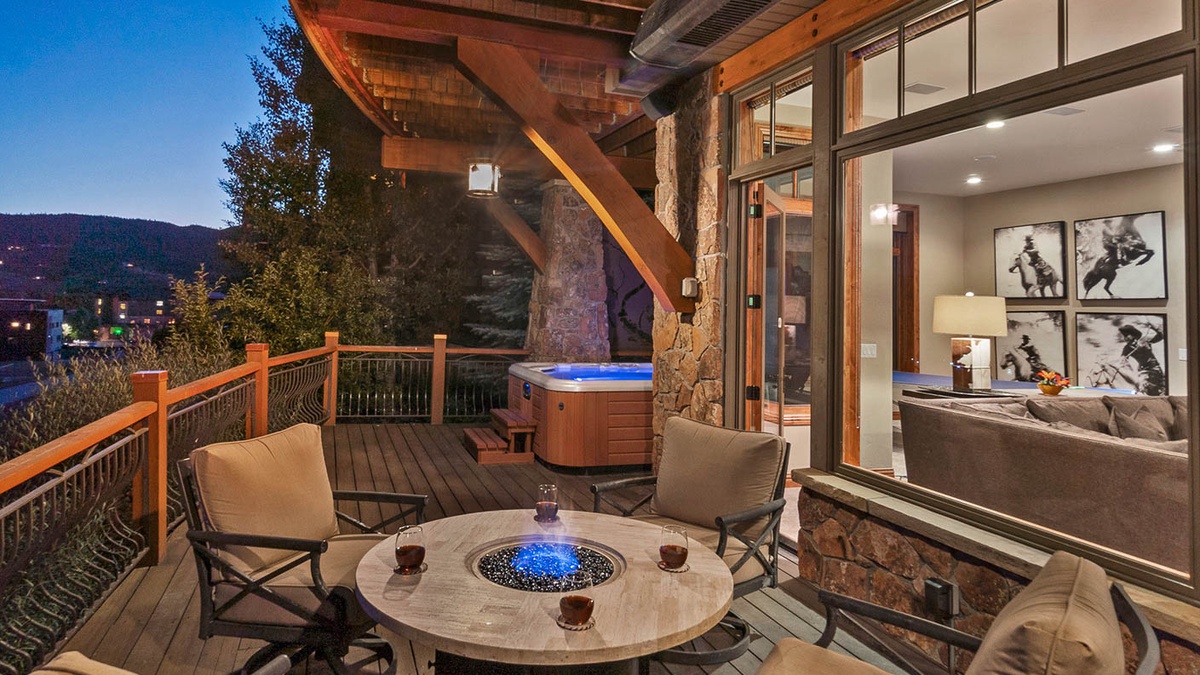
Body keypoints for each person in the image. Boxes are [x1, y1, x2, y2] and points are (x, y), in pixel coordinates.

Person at [1117, 322, 1166, 395]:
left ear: (1133, 334)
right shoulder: (1127, 348)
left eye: (1128, 335)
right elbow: (1122, 360)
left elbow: (1160, 336)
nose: (1126, 338)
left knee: (1153, 388)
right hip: (1142, 371)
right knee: (1138, 387)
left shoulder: (1145, 340)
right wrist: (1123, 363)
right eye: (1125, 336)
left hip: (1154, 368)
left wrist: (1154, 327)